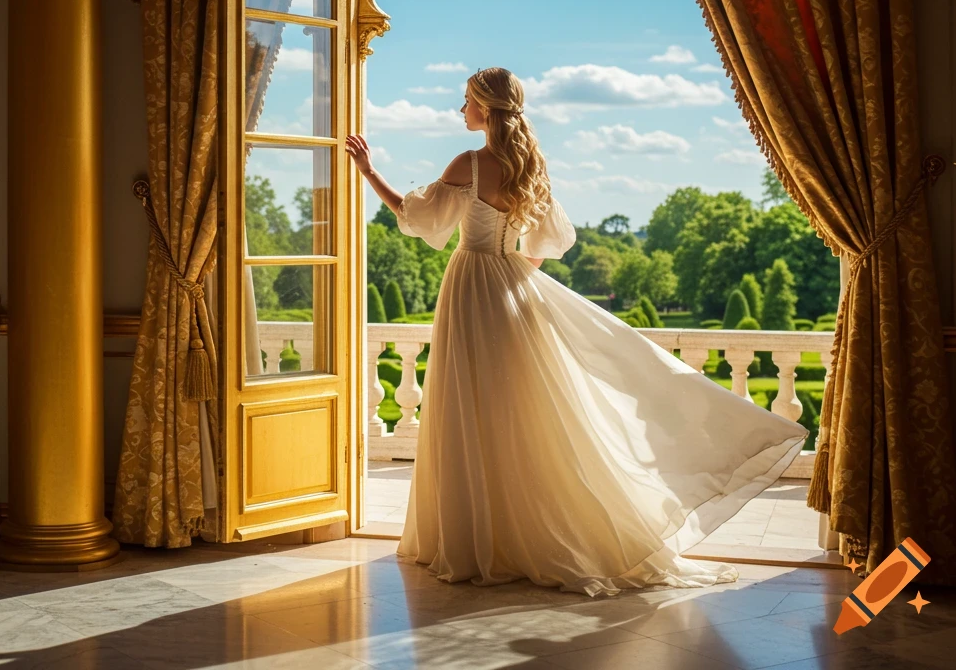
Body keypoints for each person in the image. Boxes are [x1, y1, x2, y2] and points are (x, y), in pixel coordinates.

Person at [345, 67, 808, 598]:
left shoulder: (468, 164)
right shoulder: (531, 166)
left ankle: (477, 539)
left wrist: (368, 171)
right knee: (517, 413)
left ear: (485, 108)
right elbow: (544, 245)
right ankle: (520, 534)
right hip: (512, 290)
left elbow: (416, 218)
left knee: (468, 408)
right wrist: (513, 278)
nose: (461, 109)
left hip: (471, 286)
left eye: (467, 100)